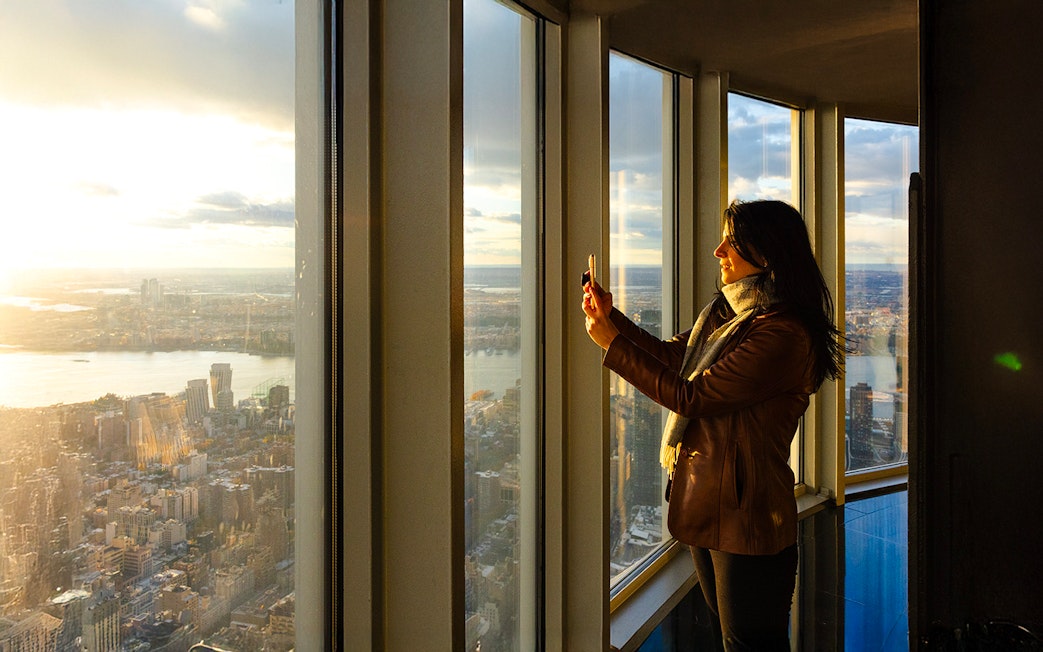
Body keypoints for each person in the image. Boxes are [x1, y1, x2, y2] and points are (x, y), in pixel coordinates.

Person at [582, 199, 844, 651]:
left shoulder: (781, 335)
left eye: (733, 242)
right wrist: (612, 320)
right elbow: (674, 359)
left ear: (767, 254)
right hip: (712, 502)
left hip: (747, 515)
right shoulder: (732, 315)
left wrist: (613, 346)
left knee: (749, 644)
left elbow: (692, 397)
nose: (718, 250)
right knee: (732, 636)